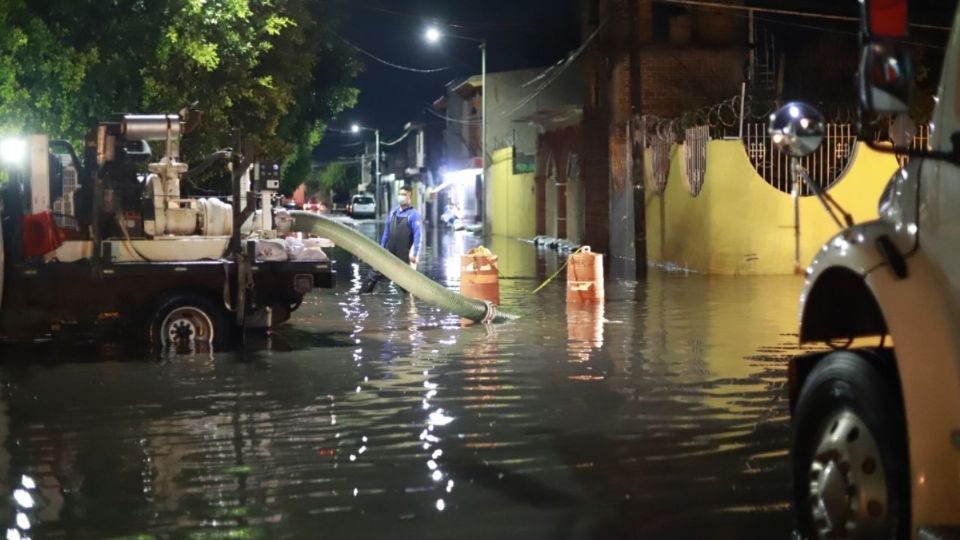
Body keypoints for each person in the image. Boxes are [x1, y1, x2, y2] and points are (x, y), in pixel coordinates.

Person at [361, 186, 423, 293]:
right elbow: (386, 233)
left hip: (403, 258)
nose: (401, 197)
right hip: (389, 254)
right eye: (400, 194)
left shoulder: (413, 215)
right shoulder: (393, 213)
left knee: (406, 287)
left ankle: (410, 305)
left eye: (404, 195)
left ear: (410, 197)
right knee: (373, 274)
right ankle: (362, 297)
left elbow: (418, 236)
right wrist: (381, 249)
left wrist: (415, 254)